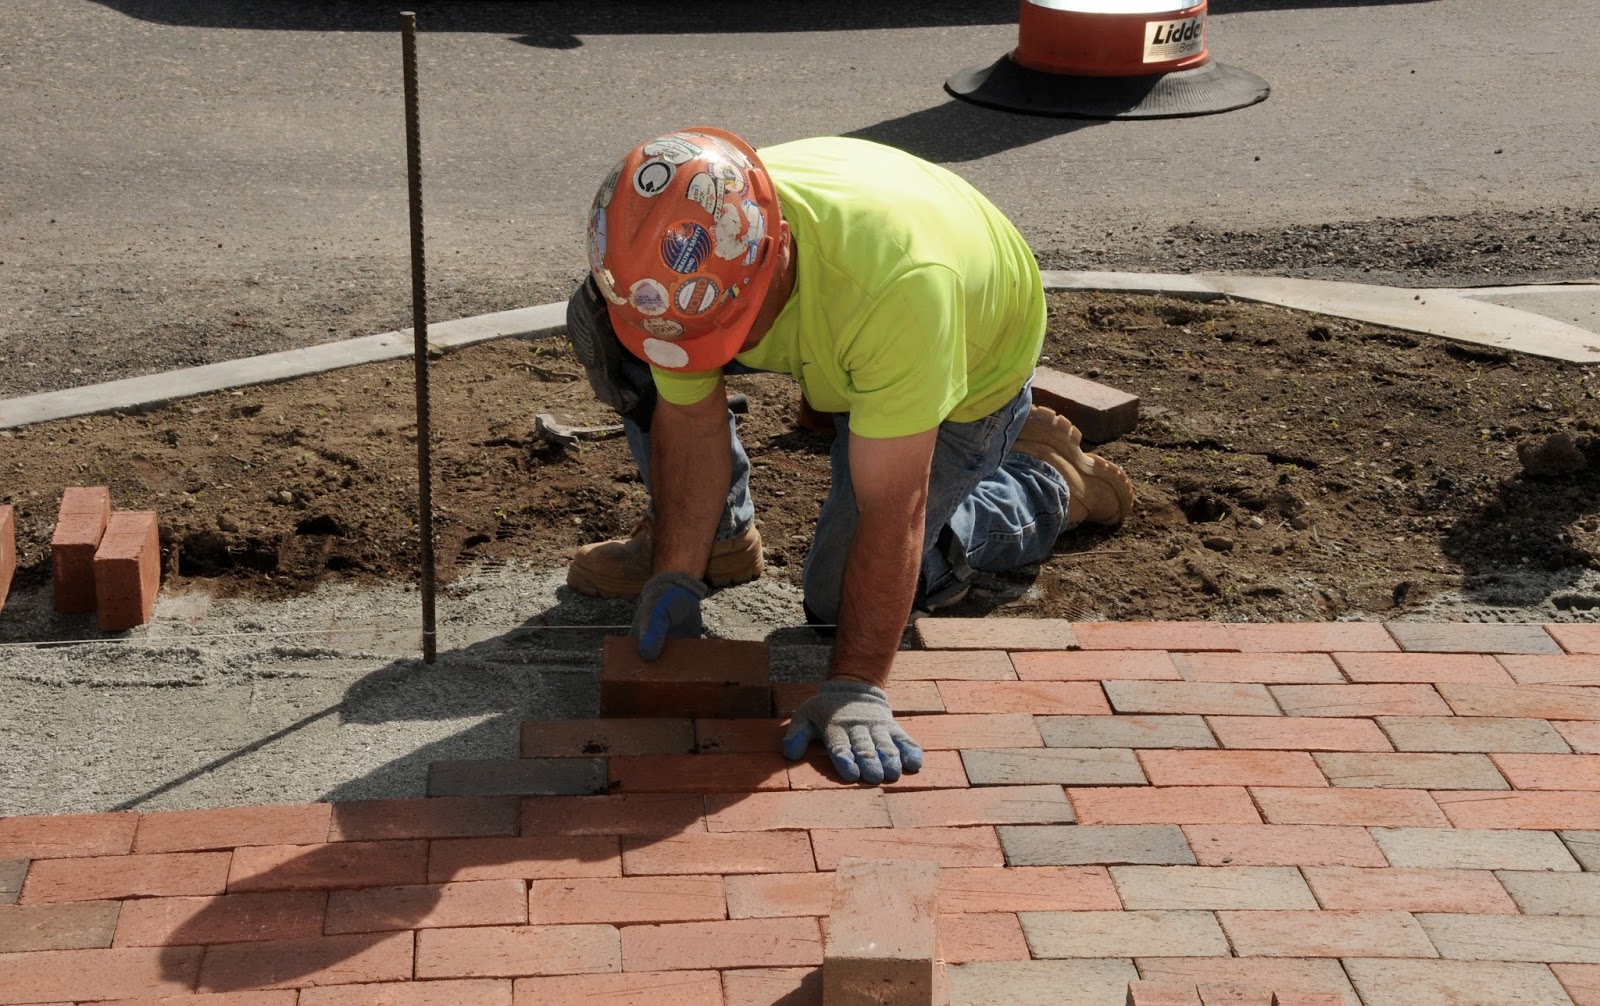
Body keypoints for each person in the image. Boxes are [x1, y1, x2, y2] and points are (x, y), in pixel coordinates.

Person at [564, 127, 1133, 784]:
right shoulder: (704, 229)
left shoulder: (900, 294)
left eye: (717, 335)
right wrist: (675, 571)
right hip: (852, 323)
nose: (703, 356)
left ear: (775, 259)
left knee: (840, 602)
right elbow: (689, 418)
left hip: (965, 365)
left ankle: (1045, 483)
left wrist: (858, 682)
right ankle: (718, 540)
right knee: (614, 332)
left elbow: (896, 510)